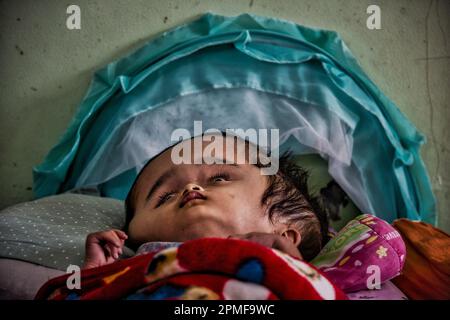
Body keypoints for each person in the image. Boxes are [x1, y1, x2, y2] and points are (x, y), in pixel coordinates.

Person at [83, 133, 329, 269]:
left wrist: (288, 264)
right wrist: (93, 274)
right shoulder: (128, 271)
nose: (190, 188)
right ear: (133, 235)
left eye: (220, 178)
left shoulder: (297, 277)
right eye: (164, 196)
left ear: (285, 237)